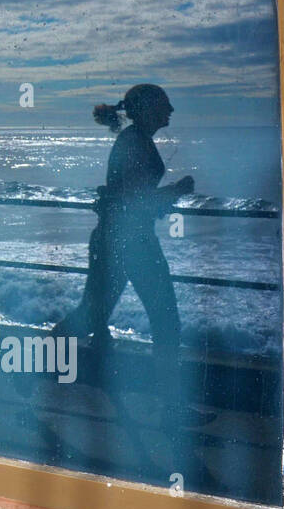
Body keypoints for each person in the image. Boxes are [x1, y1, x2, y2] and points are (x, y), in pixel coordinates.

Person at [53, 84, 197, 427]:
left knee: (91, 314)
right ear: (147, 109)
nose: (172, 110)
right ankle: (172, 410)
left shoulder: (134, 140)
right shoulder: (135, 143)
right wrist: (176, 191)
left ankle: (30, 369)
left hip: (116, 240)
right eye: (165, 104)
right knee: (164, 321)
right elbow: (136, 203)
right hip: (132, 244)